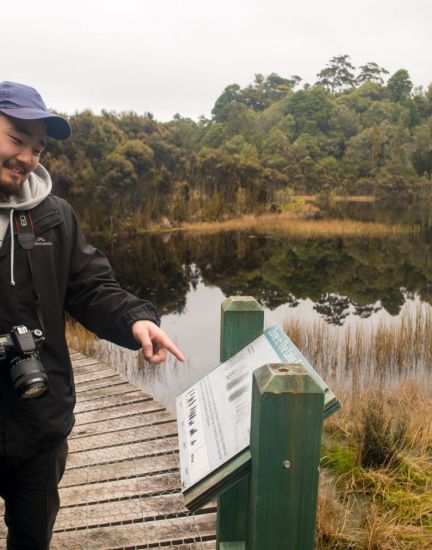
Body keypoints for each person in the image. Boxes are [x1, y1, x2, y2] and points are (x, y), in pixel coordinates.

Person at [0, 81, 184, 549]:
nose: (27, 157)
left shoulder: (54, 216)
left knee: (32, 535)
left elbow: (90, 287)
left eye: (37, 148)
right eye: (16, 139)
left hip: (39, 416)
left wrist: (135, 321)